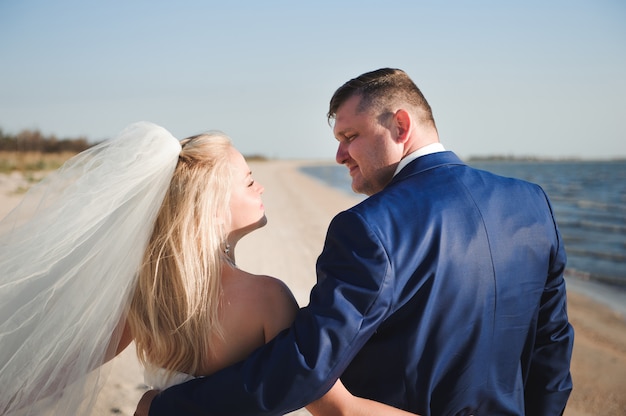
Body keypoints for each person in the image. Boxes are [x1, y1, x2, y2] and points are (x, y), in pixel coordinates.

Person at [138, 68, 574, 416]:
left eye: (350, 137)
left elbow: (308, 366)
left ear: (401, 125)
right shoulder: (532, 202)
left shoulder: (369, 227)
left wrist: (170, 408)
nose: (339, 155)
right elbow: (552, 349)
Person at [0, 121, 413, 416]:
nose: (261, 187)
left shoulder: (147, 292)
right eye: (250, 181)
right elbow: (333, 407)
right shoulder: (269, 298)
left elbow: (66, 365)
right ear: (214, 207)